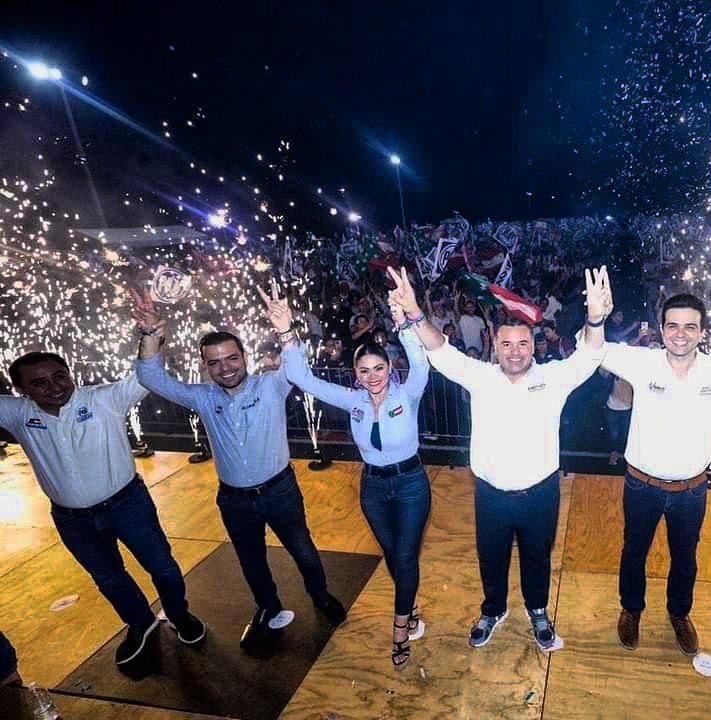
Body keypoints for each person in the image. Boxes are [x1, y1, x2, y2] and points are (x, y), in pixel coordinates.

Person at [386, 265, 611, 651]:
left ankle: (538, 611)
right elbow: (439, 350)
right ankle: (493, 610)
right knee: (490, 557)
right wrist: (416, 312)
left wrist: (594, 319)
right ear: (495, 345)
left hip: (541, 494)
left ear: (533, 345)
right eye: (506, 344)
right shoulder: (480, 377)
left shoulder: (554, 378)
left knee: (538, 558)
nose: (515, 351)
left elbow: (590, 355)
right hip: (490, 496)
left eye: (522, 343)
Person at [131, 290, 347, 651]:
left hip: (280, 491)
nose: (226, 367)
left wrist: (286, 330)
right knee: (251, 560)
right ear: (204, 365)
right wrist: (152, 335)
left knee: (302, 548)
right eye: (215, 362)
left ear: (245, 357)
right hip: (234, 500)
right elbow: (151, 378)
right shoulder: (201, 397)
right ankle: (268, 607)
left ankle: (320, 593)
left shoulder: (271, 385)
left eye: (232, 358)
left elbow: (297, 369)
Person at [260, 280, 432, 670]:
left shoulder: (408, 394)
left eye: (379, 368)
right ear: (355, 373)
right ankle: (410, 608)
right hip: (373, 488)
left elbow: (421, 362)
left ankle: (400, 628)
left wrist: (404, 321)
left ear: (390, 368)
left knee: (406, 556)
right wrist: (286, 332)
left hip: (410, 485)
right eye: (364, 370)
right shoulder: (352, 400)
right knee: (394, 554)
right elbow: (303, 379)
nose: (373, 375)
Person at [0, 350, 204, 665]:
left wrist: (151, 337)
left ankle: (179, 615)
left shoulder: (103, 399)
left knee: (161, 565)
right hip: (72, 520)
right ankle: (141, 623)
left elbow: (147, 374)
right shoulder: (17, 414)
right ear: (21, 390)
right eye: (39, 383)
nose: (54, 387)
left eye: (59, 376)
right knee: (108, 577)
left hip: (128, 505)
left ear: (69, 373)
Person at [601, 292, 711, 656]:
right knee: (634, 552)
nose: (680, 334)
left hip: (692, 490)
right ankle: (631, 610)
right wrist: (594, 319)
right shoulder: (642, 362)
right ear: (661, 329)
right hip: (641, 485)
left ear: (702, 332)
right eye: (673, 326)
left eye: (690, 327)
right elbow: (591, 350)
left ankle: (679, 614)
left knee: (686, 558)